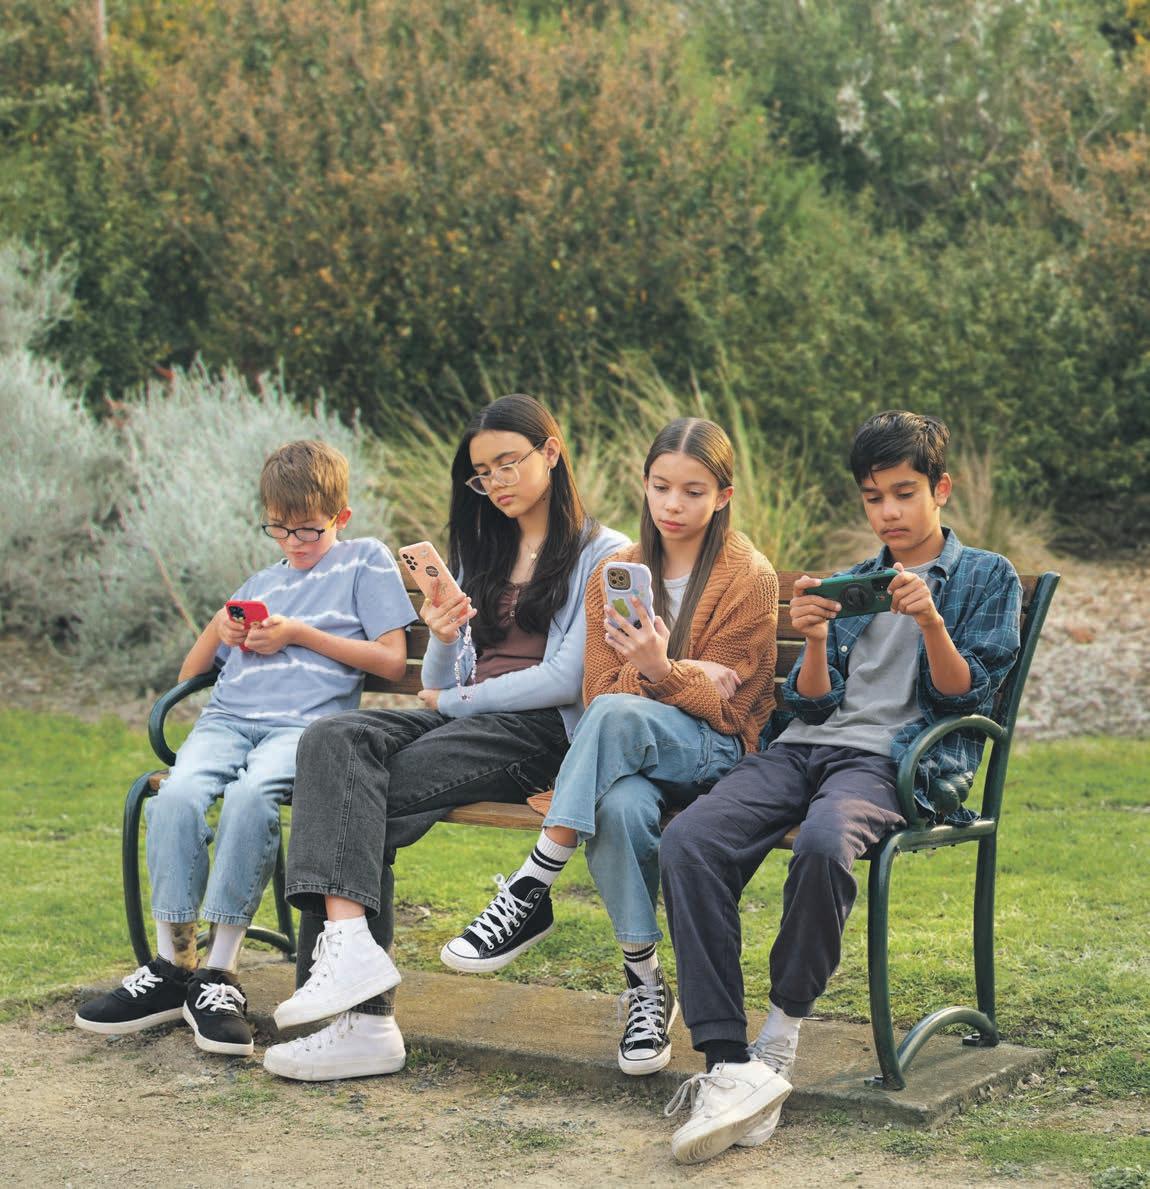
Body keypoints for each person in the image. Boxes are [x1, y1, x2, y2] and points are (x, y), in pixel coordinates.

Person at [658, 410, 1023, 1164]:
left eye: (903, 493)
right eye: (872, 498)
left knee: (825, 844)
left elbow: (966, 698)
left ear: (941, 489)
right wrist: (817, 637)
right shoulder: (853, 582)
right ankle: (728, 1064)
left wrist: (931, 623)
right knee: (690, 838)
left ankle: (780, 1037)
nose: (888, 512)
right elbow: (811, 704)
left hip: (893, 762)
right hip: (803, 752)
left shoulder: (986, 577)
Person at [263, 394, 627, 1082]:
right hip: (467, 717)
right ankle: (350, 954)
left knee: (353, 801)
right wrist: (441, 633)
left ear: (551, 452)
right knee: (331, 742)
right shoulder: (482, 548)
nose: (496, 482)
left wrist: (458, 699)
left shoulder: (601, 553)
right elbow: (438, 677)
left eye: (507, 463)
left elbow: (566, 678)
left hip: (539, 733)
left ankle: (361, 1021)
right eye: (482, 473)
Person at [441, 417, 779, 1077]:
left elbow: (730, 710)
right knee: (620, 804)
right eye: (661, 487)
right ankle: (645, 985)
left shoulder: (750, 576)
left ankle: (533, 881)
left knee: (622, 715)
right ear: (644, 486)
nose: (673, 505)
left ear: (723, 496)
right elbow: (598, 696)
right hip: (630, 754)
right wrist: (677, 671)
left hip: (714, 755)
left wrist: (657, 669)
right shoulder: (616, 572)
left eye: (693, 491)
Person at [75, 440, 414, 1057]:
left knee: (251, 797)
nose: (293, 542)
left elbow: (391, 662)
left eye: (307, 529)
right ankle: (173, 967)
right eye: (278, 528)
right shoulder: (262, 580)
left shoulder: (365, 560)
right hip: (226, 721)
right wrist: (221, 627)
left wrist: (298, 633)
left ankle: (219, 975)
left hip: (302, 730)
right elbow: (191, 674)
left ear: (340, 516)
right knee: (176, 795)